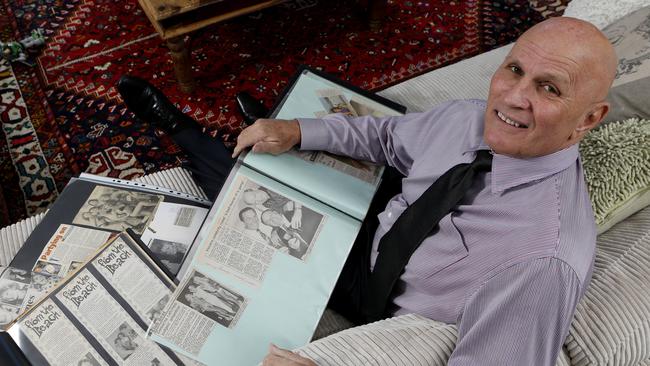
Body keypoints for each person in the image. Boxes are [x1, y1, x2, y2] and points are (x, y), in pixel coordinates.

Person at [117, 16, 617, 366]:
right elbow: (385, 137)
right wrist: (295, 131)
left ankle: (180, 130)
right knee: (268, 161)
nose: (513, 97)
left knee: (241, 192)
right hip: (377, 224)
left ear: (590, 119)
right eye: (514, 69)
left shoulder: (540, 262)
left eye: (549, 88)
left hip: (375, 297)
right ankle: (219, 125)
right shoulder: (469, 118)